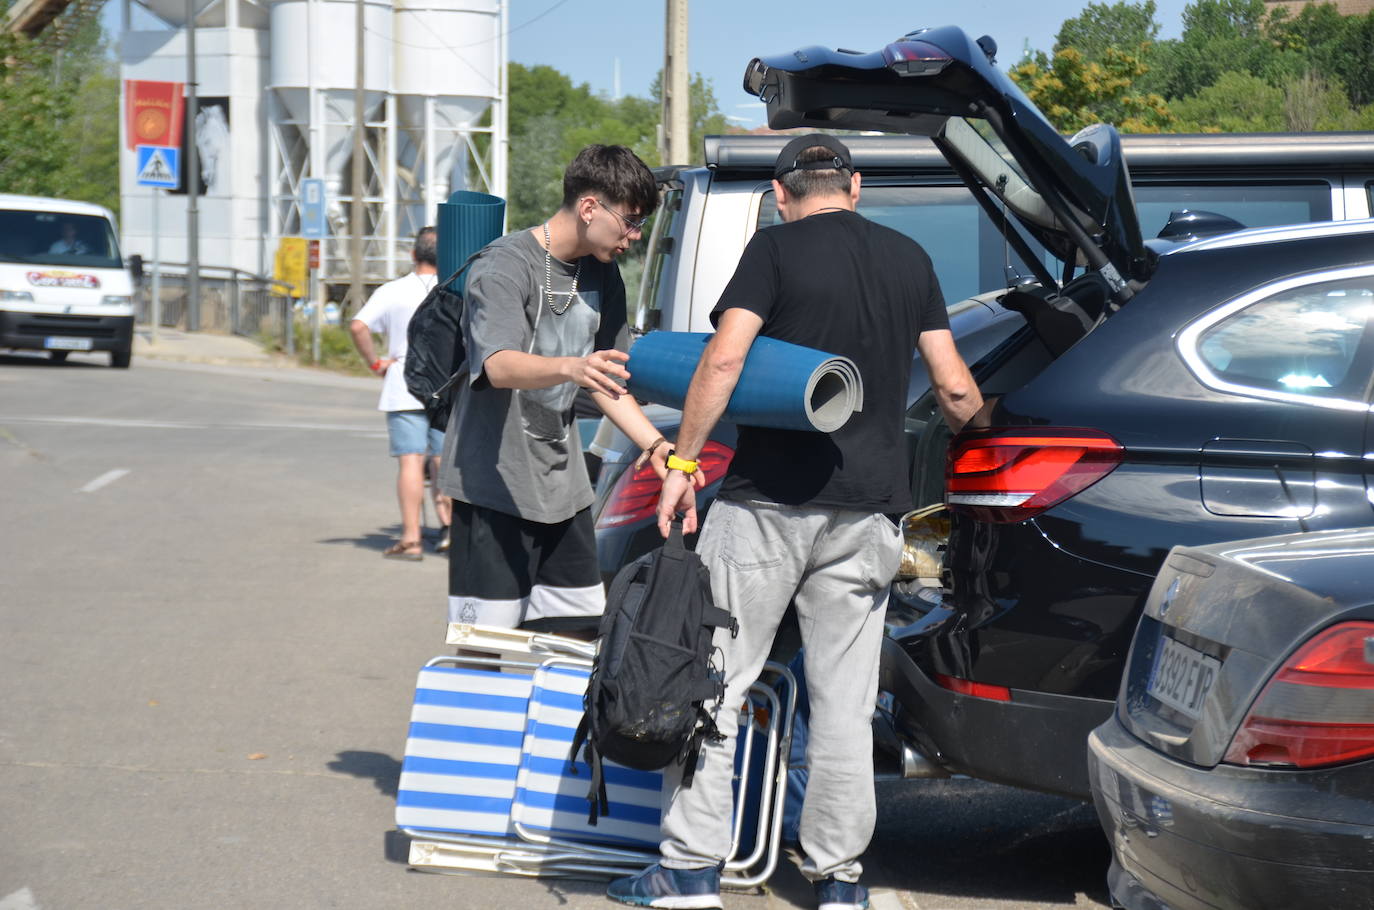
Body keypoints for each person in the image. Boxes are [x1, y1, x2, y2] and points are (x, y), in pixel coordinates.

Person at [607, 135, 983, 910]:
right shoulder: (910, 259)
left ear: (781, 194)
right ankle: (839, 882)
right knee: (844, 704)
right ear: (856, 185)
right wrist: (978, 436)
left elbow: (722, 360)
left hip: (766, 507)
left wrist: (682, 465)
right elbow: (953, 388)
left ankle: (689, 871)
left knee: (719, 682)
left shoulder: (772, 251)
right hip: (870, 513)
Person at [439, 145, 697, 633]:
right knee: (487, 652)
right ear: (589, 207)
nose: (634, 238)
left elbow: (606, 381)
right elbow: (497, 364)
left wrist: (658, 446)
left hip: (566, 494)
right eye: (631, 222)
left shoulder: (603, 275)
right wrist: (571, 367)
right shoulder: (503, 265)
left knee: (572, 648)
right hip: (493, 489)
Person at [349, 226, 452, 561]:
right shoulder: (453, 289)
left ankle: (411, 539)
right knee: (442, 461)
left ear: (413, 255)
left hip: (403, 381)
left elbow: (358, 325)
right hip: (444, 384)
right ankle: (450, 530)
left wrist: (376, 363)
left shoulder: (393, 290)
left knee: (410, 461)